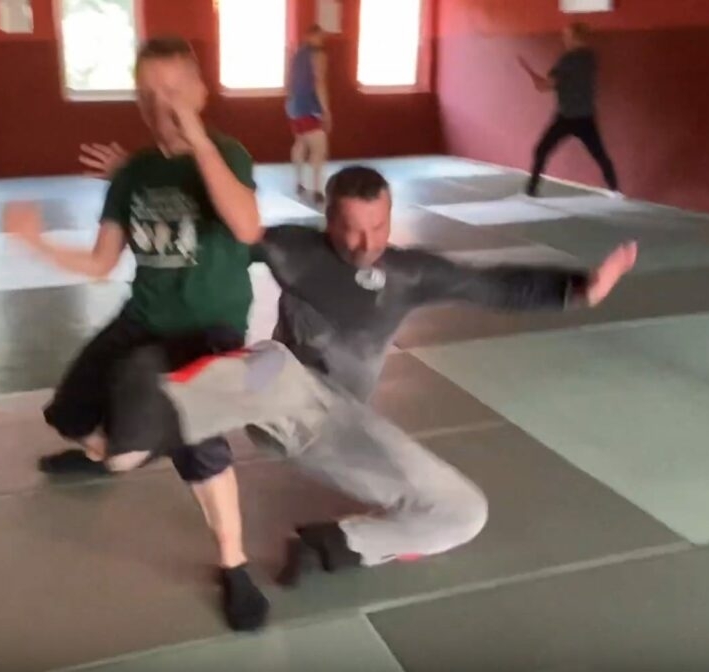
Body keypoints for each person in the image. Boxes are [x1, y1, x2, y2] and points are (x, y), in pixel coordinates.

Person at [77, 157, 638, 591]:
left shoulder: (409, 274)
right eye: (351, 229)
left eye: (378, 226)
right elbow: (217, 235)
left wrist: (578, 289)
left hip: (336, 430)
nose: (367, 242)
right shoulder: (292, 249)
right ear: (327, 219)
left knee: (465, 513)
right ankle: (157, 411)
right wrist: (144, 187)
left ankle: (334, 546)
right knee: (273, 362)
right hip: (274, 396)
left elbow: (491, 285)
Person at [3, 37, 269, 632]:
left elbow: (247, 227)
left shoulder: (228, 154)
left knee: (197, 441)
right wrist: (35, 243)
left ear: (200, 93)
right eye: (147, 93)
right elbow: (102, 263)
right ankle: (109, 454)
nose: (161, 104)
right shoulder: (135, 174)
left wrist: (196, 140)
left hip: (209, 332)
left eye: (174, 90)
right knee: (71, 410)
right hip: (141, 320)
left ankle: (234, 565)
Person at [520, 22, 621, 199]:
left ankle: (531, 190)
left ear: (575, 37)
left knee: (541, 150)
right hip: (586, 117)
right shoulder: (590, 58)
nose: (564, 39)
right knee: (599, 154)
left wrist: (530, 73)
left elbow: (544, 86)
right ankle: (615, 189)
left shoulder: (567, 60)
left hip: (566, 117)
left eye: (567, 36)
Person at [286, 24, 331, 205]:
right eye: (320, 36)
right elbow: (319, 82)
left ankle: (299, 182)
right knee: (319, 149)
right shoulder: (318, 55)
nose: (322, 40)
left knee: (300, 143)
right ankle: (318, 190)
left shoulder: (297, 54)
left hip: (294, 106)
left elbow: (289, 80)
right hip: (309, 107)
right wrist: (326, 111)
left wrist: (290, 102)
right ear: (311, 36)